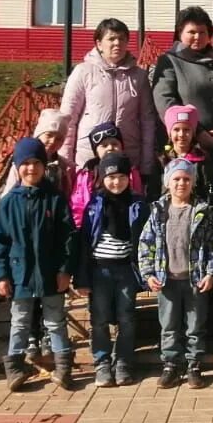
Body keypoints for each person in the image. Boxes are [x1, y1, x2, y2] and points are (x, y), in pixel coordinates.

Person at [0, 138, 78, 392]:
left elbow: (68, 238)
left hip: (50, 273)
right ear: (18, 167)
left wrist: (65, 270)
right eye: (25, 163)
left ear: (44, 165)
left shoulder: (55, 199)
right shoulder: (8, 203)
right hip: (20, 274)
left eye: (36, 163)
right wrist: (1, 275)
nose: (31, 169)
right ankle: (15, 368)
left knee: (55, 321)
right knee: (20, 321)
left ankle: (63, 367)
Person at [139, 158, 213, 390]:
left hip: (195, 280)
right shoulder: (158, 212)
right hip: (167, 282)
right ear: (167, 182)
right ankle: (171, 365)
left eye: (186, 179)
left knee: (195, 326)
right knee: (169, 325)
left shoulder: (202, 211)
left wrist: (211, 273)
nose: (181, 184)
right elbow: (146, 244)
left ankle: (194, 365)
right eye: (176, 179)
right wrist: (148, 273)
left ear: (193, 182)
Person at [59, 18, 157, 196]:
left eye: (122, 39)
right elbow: (68, 119)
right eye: (111, 39)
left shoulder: (139, 76)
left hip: (128, 157)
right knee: (88, 210)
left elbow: (147, 120)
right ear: (99, 43)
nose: (117, 43)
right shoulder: (83, 72)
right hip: (89, 158)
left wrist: (147, 164)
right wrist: (66, 160)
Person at [76, 152, 144, 388]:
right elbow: (85, 243)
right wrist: (82, 278)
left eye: (122, 176)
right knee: (100, 319)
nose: (117, 182)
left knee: (127, 318)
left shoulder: (136, 205)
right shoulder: (94, 206)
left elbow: (144, 240)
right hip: (99, 271)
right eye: (111, 177)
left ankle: (124, 362)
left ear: (129, 178)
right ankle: (102, 363)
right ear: (102, 178)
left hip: (125, 269)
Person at [152, 6, 213, 182]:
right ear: (180, 33)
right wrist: (197, 132)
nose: (197, 37)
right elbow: (165, 101)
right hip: (186, 147)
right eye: (191, 32)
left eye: (202, 32)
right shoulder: (169, 62)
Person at [71, 121, 144, 226]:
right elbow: (78, 204)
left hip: (125, 224)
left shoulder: (131, 172)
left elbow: (137, 200)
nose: (110, 148)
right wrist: (79, 228)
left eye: (115, 144)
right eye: (104, 145)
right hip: (93, 227)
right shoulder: (87, 174)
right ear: (96, 151)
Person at [0, 108, 72, 199]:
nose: (53, 141)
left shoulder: (62, 165)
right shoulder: (23, 162)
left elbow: (66, 193)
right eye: (49, 135)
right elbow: (7, 196)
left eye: (59, 139)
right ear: (38, 134)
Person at [160, 105, 213, 203]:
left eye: (186, 130)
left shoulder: (202, 159)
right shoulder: (163, 159)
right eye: (176, 129)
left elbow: (207, 190)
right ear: (170, 133)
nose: (181, 134)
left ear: (193, 132)